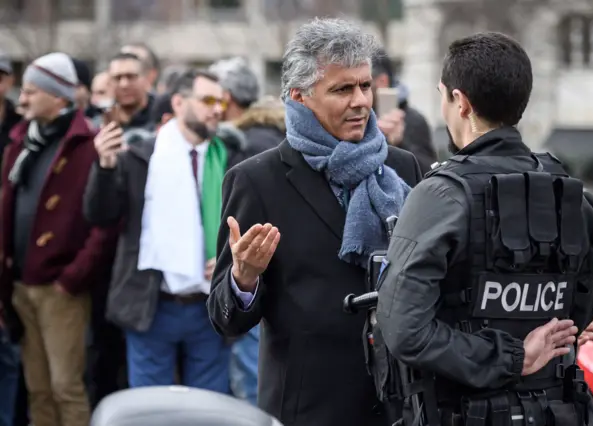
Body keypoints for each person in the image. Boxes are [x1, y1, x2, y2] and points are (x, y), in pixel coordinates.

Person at [376, 32, 593, 426]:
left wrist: (513, 359)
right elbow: (577, 317)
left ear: (460, 102)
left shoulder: (441, 196)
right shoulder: (572, 198)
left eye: (443, 95)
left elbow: (405, 330)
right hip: (554, 412)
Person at [208, 18, 422, 426]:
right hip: (309, 407)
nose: (360, 101)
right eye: (342, 89)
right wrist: (244, 280)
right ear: (299, 97)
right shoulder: (255, 180)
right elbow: (225, 319)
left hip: (397, 402)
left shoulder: (403, 167)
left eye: (364, 85)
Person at [84, 68, 244, 392]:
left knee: (207, 409)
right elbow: (100, 215)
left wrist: (226, 259)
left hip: (209, 305)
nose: (217, 109)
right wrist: (104, 167)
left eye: (221, 101)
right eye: (207, 100)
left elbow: (243, 225)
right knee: (150, 408)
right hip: (151, 302)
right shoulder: (141, 155)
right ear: (179, 102)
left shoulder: (228, 158)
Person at [0, 52, 118, 426]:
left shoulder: (89, 144)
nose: (21, 99)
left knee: (66, 387)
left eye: (31, 91)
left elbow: (106, 223)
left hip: (60, 290)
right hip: (19, 285)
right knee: (37, 388)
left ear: (60, 97)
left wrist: (72, 278)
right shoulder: (21, 143)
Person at [372, 48, 437, 172]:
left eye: (365, 84)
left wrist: (399, 145)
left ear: (382, 81)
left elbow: (430, 172)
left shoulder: (412, 120)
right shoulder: (359, 118)